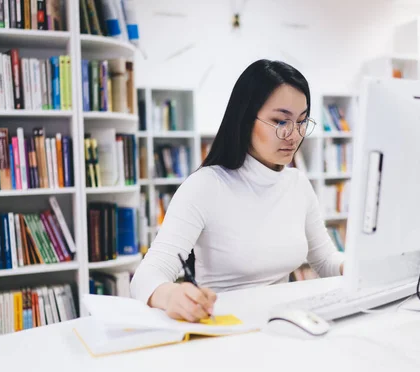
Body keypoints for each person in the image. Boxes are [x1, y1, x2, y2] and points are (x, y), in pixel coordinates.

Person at [130, 59, 345, 322]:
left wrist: (360, 265)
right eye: (280, 121)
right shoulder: (205, 186)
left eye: (302, 122)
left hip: (282, 325)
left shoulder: (298, 184)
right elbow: (146, 276)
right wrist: (170, 295)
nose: (294, 135)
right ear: (245, 118)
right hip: (224, 328)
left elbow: (325, 261)